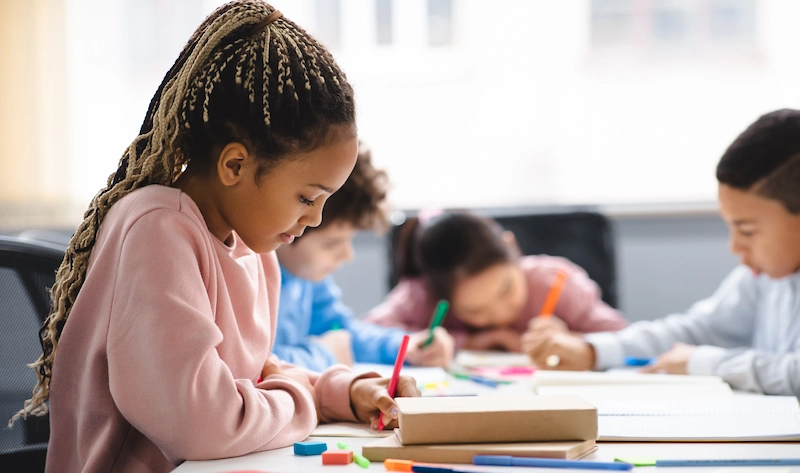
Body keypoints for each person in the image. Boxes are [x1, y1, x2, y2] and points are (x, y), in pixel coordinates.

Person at [12, 2, 418, 471]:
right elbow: (203, 422)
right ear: (235, 166)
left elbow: (250, 378)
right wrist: (307, 400)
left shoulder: (252, 245)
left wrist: (339, 390)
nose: (316, 219)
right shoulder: (157, 231)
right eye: (308, 198)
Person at [522, 109, 800, 397]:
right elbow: (697, 330)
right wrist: (592, 351)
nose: (734, 247)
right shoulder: (765, 276)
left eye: (747, 231)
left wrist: (706, 363)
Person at [273, 144, 454, 371]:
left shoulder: (308, 279)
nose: (348, 255)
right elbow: (251, 363)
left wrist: (404, 347)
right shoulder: (252, 278)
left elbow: (341, 332)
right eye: (332, 243)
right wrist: (326, 354)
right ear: (287, 230)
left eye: (349, 239)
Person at [365, 211, 627, 352]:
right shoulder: (423, 296)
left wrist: (573, 341)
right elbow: (370, 331)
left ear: (512, 247)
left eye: (506, 289)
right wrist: (465, 342)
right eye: (474, 311)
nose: (500, 313)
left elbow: (623, 336)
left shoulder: (555, 282)